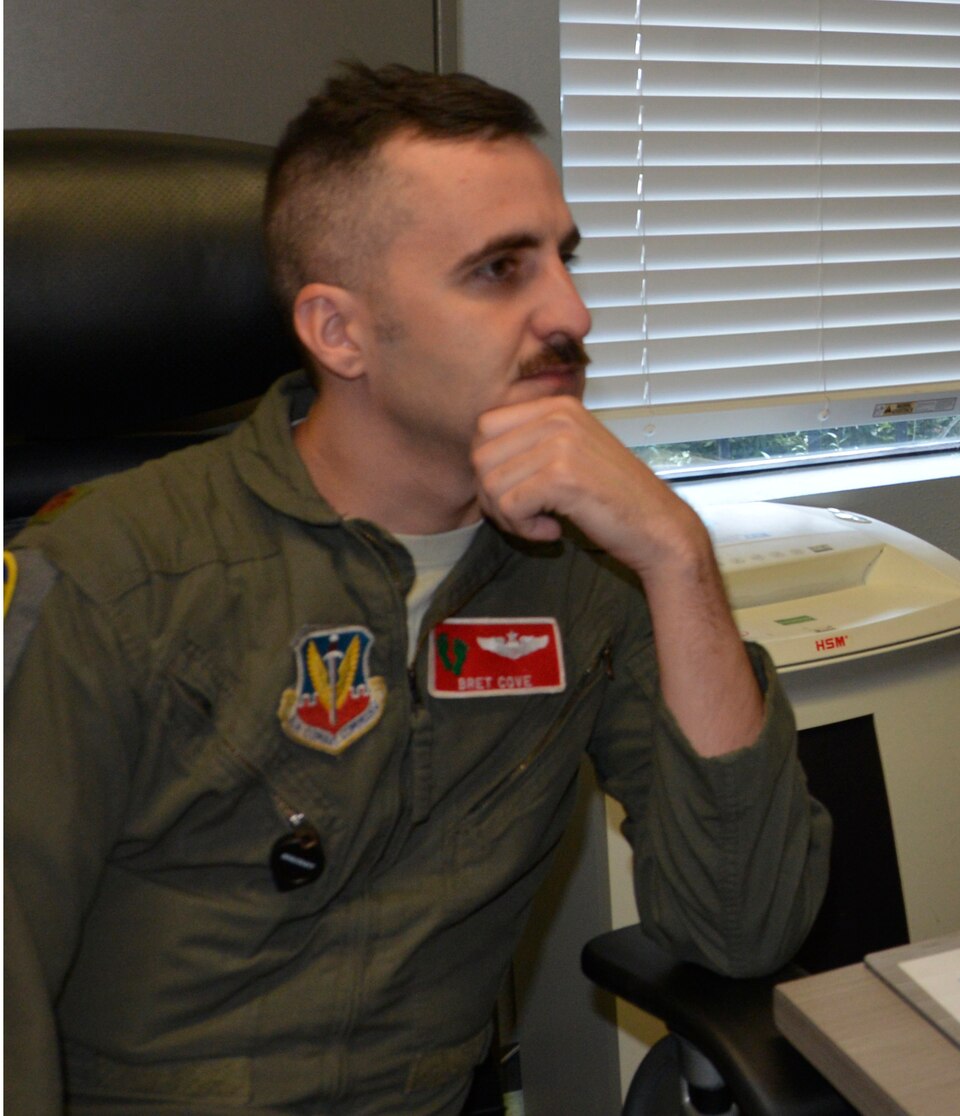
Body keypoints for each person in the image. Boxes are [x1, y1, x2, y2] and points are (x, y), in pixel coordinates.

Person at [3, 64, 830, 1113]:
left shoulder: (591, 573)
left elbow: (740, 928)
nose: (572, 314)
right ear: (338, 331)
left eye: (564, 262)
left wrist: (675, 553)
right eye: (499, 271)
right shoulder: (113, 576)